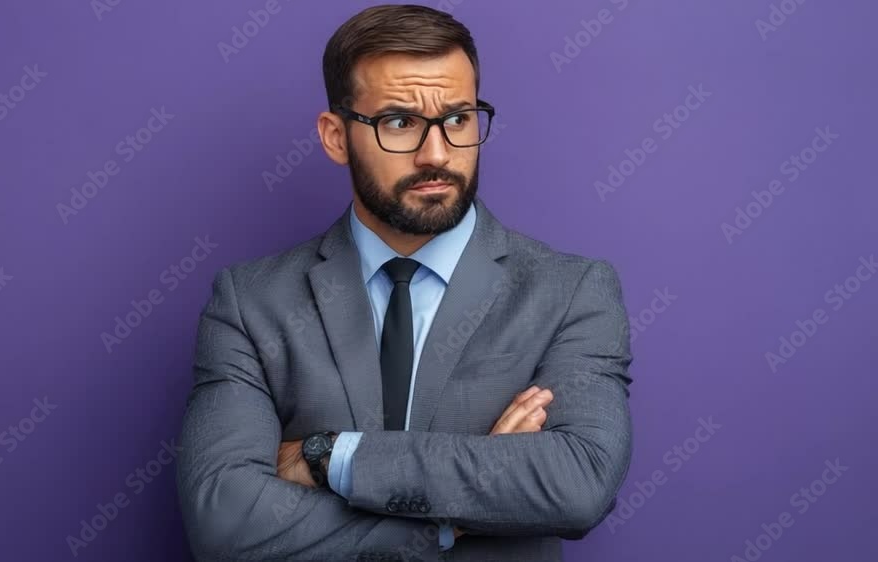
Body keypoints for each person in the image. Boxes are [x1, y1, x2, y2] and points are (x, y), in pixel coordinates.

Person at [177, 4, 633, 561]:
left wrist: (328, 456)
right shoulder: (250, 303)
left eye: (458, 119)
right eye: (399, 123)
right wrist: (456, 516)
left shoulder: (571, 292)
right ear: (336, 137)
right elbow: (225, 522)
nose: (436, 154)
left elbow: (579, 484)